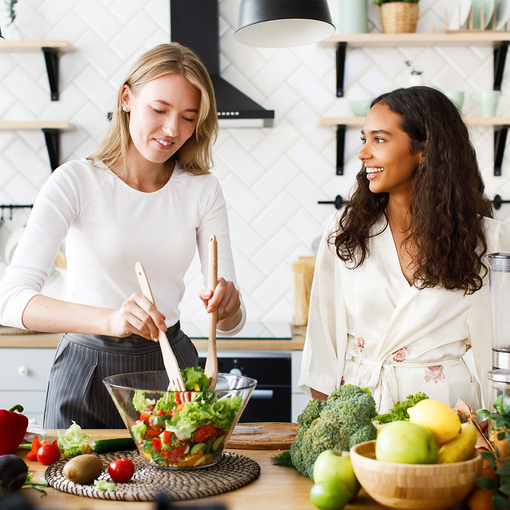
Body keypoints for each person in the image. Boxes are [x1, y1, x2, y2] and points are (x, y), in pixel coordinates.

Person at [0, 43, 246, 428]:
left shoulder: (203, 189)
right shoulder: (76, 181)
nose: (171, 130)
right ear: (127, 97)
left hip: (172, 371)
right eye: (159, 110)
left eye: (187, 117)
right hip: (86, 372)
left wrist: (229, 306)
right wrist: (112, 319)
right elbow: (11, 300)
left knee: (177, 489)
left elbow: (230, 322)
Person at [298, 86, 510, 413]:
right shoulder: (345, 231)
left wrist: (493, 430)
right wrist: (333, 429)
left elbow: (500, 352)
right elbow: (321, 349)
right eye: (363, 139)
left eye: (379, 139)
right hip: (363, 414)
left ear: (424, 149)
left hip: (451, 418)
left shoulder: (487, 240)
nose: (363, 153)